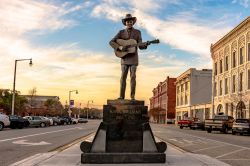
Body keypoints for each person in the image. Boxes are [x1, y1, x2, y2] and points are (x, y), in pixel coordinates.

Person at [109, 14, 147, 100]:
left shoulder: (138, 32)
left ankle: (132, 96)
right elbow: (111, 42)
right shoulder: (121, 32)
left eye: (131, 21)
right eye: (127, 21)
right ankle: (121, 96)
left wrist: (145, 45)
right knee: (123, 77)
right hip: (124, 58)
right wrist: (120, 47)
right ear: (125, 23)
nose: (129, 23)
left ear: (133, 22)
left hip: (134, 58)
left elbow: (140, 46)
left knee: (133, 77)